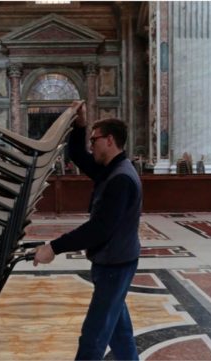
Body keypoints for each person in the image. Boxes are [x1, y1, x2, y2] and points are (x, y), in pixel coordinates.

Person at [33, 105, 142, 361]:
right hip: (115, 261)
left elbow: (99, 229)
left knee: (94, 337)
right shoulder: (112, 169)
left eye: (94, 140)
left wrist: (53, 247)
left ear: (110, 140)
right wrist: (80, 126)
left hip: (115, 265)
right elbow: (77, 156)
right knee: (119, 332)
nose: (91, 145)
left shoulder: (120, 178)